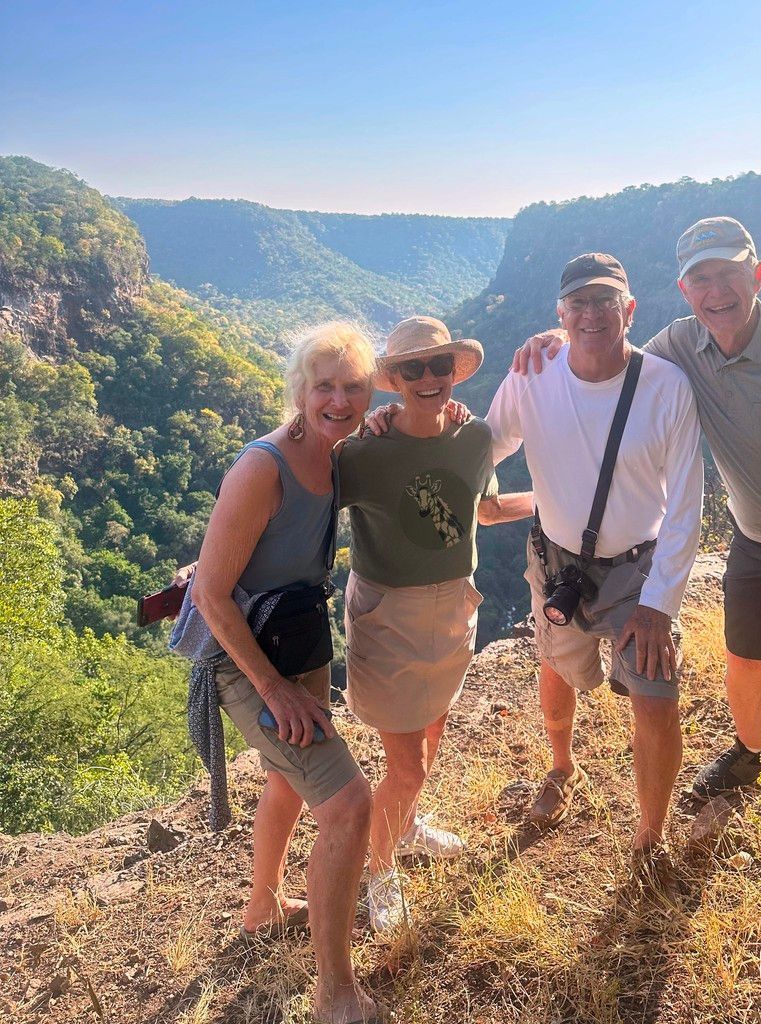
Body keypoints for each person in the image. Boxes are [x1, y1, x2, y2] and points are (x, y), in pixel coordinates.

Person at [516, 218, 761, 945]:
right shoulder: (678, 348)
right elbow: (605, 349)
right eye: (699, 278)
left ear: (757, 275)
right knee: (745, 660)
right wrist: (551, 342)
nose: (714, 290)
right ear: (683, 289)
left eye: (728, 274)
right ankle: (749, 755)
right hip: (757, 537)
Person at [486, 253, 704, 888]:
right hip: (557, 562)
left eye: (605, 302)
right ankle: (562, 767)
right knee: (556, 662)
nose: (591, 315)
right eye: (577, 304)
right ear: (560, 315)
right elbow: (485, 444)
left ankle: (650, 836)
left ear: (629, 311)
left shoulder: (667, 388)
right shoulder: (534, 374)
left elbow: (687, 506)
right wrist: (413, 426)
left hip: (640, 568)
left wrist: (660, 604)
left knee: (657, 696)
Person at [190, 322, 383, 1024]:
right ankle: (335, 992)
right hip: (249, 659)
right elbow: (211, 594)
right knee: (348, 803)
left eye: (353, 387)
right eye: (323, 386)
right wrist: (272, 691)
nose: (337, 399)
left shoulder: (337, 453)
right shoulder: (262, 467)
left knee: (286, 778)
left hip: (298, 634)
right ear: (298, 390)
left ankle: (262, 906)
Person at [337, 316, 532, 933]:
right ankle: (379, 869)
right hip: (388, 615)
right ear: (393, 381)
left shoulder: (473, 439)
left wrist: (568, 499)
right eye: (413, 369)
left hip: (452, 607)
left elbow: (488, 509)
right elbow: (301, 497)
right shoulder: (362, 453)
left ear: (454, 371)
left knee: (433, 737)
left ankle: (407, 822)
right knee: (408, 765)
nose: (429, 379)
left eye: (439, 366)